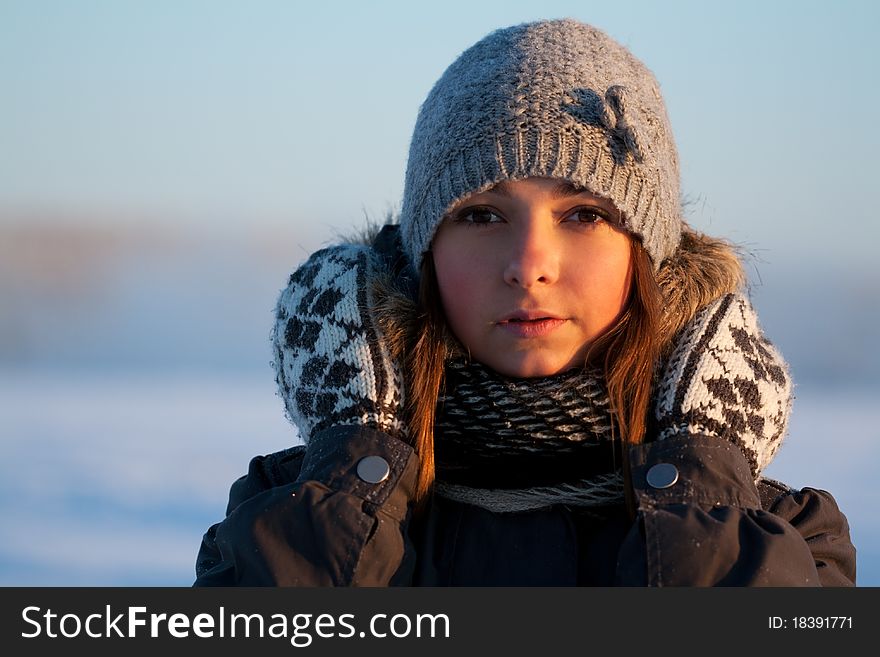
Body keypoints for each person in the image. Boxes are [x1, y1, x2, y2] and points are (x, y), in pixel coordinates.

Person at [194, 19, 856, 586]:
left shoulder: (784, 536)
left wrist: (705, 481)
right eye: (481, 215)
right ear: (422, 256)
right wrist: (355, 463)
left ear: (648, 254)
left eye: (584, 214)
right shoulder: (290, 511)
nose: (529, 265)